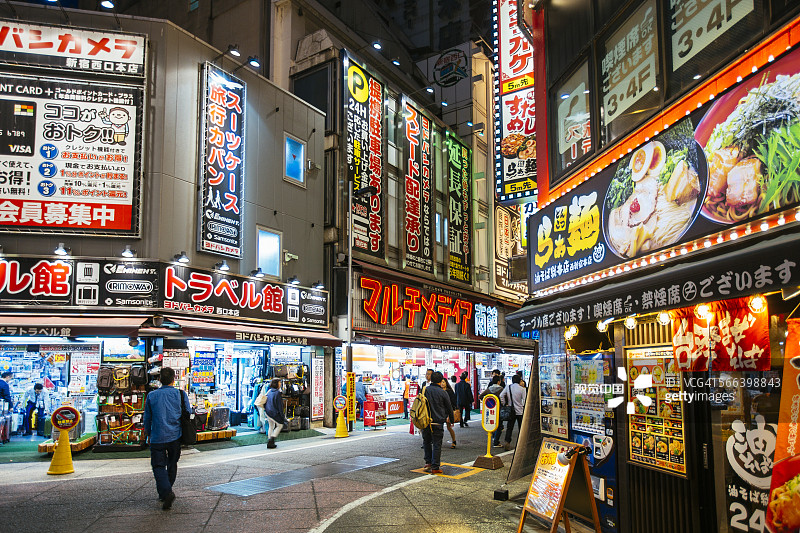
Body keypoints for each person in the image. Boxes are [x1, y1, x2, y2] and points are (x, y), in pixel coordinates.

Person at [143, 367, 192, 510]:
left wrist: (148, 434)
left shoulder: (152, 396)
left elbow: (147, 418)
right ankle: (167, 490)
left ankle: (165, 492)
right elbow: (188, 412)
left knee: (158, 466)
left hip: (157, 436)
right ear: (173, 379)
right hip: (175, 435)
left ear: (159, 379)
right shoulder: (180, 394)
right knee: (172, 463)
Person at [422, 372, 453, 474]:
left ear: (431, 379)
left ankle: (428, 463)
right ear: (440, 381)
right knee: (437, 443)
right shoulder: (443, 393)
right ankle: (435, 467)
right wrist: (452, 420)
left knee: (426, 441)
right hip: (438, 422)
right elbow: (449, 408)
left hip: (426, 421)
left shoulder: (425, 390)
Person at [499, 374, 527, 450]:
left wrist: (504, 403)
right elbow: (524, 400)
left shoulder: (508, 387)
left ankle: (507, 442)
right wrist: (522, 406)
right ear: (519, 381)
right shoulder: (522, 389)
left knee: (509, 428)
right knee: (521, 428)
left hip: (511, 411)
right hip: (520, 411)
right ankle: (522, 443)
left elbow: (501, 395)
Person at [480, 375, 505, 446]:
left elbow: (481, 396)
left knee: (492, 423)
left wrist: (487, 401)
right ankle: (496, 442)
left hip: (490, 409)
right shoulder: (501, 389)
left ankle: (494, 437)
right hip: (499, 409)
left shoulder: (489, 389)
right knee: (499, 425)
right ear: (498, 382)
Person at [264, 379, 285, 449]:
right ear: (276, 384)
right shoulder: (278, 393)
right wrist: (282, 416)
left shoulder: (269, 391)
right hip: (274, 413)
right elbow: (280, 406)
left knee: (271, 426)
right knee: (280, 425)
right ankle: (271, 440)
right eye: (279, 383)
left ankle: (269, 440)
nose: (280, 384)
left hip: (268, 412)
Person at [441, 377, 458, 448]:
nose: (442, 383)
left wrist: (453, 411)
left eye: (443, 382)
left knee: (449, 427)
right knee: (439, 428)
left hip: (448, 411)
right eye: (441, 382)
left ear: (446, 383)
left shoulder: (449, 391)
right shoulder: (439, 391)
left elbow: (453, 402)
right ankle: (438, 442)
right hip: (440, 412)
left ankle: (454, 441)